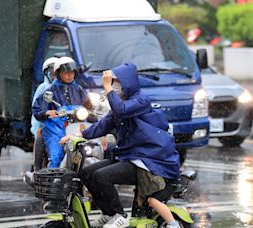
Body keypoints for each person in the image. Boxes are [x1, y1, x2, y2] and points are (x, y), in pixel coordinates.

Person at [60, 63, 180, 228]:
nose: (114, 85)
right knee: (87, 173)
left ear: (127, 82)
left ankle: (119, 215)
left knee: (103, 176)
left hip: (147, 160)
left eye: (116, 82)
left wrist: (108, 88)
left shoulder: (140, 100)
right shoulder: (120, 103)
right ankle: (108, 213)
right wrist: (77, 135)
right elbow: (103, 125)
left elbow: (121, 110)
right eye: (113, 82)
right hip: (129, 156)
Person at [32, 56, 92, 168]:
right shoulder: (50, 90)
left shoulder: (78, 89)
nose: (70, 75)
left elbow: (89, 107)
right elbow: (37, 109)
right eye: (66, 73)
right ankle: (52, 180)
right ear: (58, 73)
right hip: (56, 130)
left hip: (76, 128)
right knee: (56, 157)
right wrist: (47, 113)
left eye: (72, 72)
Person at [31, 57, 58, 170]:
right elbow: (37, 110)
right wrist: (42, 124)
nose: (55, 77)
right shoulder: (43, 88)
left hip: (63, 125)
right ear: (46, 74)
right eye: (52, 74)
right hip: (45, 125)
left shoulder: (67, 88)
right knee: (40, 138)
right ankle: (36, 170)